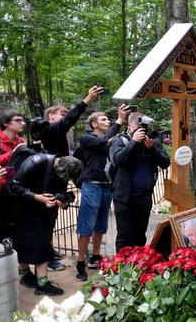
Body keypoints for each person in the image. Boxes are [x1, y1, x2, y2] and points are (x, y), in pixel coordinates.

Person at [39, 85, 104, 271]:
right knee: (46, 219)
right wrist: (86, 100)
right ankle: (46, 258)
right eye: (61, 115)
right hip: (47, 182)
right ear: (50, 118)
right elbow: (69, 120)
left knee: (52, 218)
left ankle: (49, 250)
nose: (65, 117)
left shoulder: (59, 134)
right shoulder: (51, 131)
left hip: (57, 180)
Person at [8, 155, 82, 296]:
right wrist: (37, 197)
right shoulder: (36, 162)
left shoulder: (61, 171)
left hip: (42, 211)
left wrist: (63, 201)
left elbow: (60, 192)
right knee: (24, 242)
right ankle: (34, 279)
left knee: (41, 243)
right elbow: (14, 185)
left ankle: (35, 279)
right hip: (21, 207)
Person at [74, 105, 130, 282]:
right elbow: (103, 141)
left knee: (100, 225)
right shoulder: (86, 138)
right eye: (104, 119)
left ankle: (95, 257)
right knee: (86, 225)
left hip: (107, 186)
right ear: (93, 124)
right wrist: (119, 120)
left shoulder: (110, 140)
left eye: (108, 119)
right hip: (92, 186)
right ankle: (80, 262)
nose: (108, 121)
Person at [110, 112, 170, 252]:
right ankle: (122, 268)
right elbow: (117, 160)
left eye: (144, 125)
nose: (142, 128)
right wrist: (133, 142)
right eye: (138, 124)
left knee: (139, 234)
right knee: (124, 235)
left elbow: (165, 163)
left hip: (144, 197)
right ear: (130, 125)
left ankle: (138, 266)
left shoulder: (152, 141)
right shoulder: (121, 141)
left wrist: (151, 148)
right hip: (124, 197)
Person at [0, 110, 27, 240]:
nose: (22, 123)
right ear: (6, 123)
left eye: (22, 120)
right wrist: (13, 152)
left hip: (13, 190)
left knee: (10, 227)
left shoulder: (21, 140)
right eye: (18, 121)